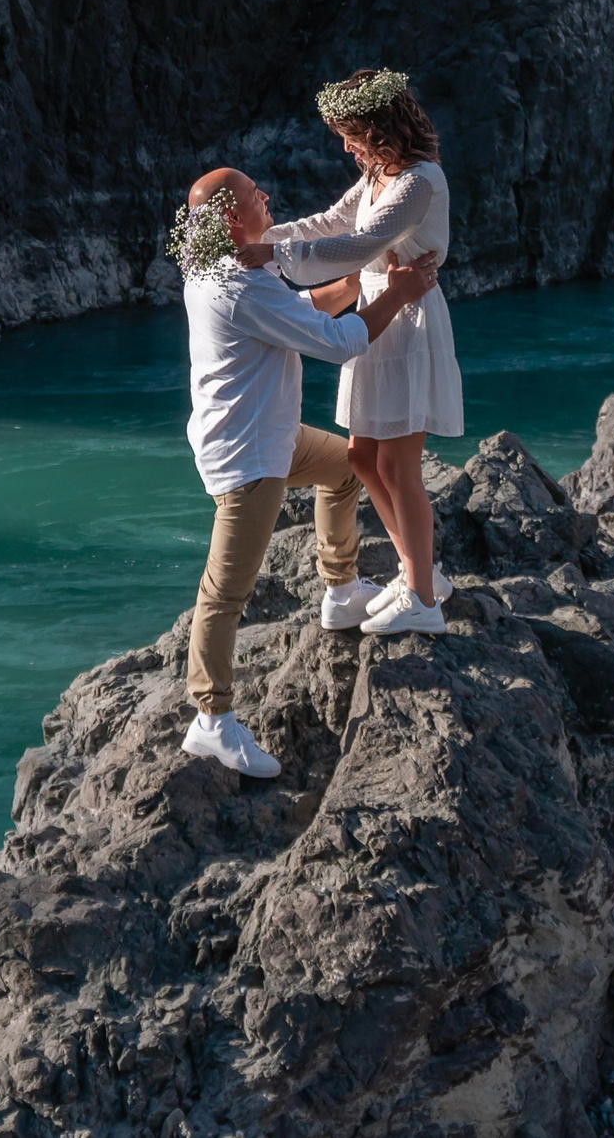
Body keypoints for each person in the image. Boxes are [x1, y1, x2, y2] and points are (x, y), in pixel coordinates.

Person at [172, 165, 441, 779]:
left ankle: (341, 591)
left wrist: (359, 279)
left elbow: (300, 309)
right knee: (224, 593)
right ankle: (210, 720)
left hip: (271, 435)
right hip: (249, 458)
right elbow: (338, 342)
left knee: (346, 468)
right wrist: (398, 294)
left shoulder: (222, 265)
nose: (267, 196)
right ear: (232, 219)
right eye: (253, 196)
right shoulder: (237, 287)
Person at [235, 68, 462, 640]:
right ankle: (420, 571)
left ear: (380, 125)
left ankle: (423, 599)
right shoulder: (379, 174)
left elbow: (358, 245)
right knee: (363, 460)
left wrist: (272, 257)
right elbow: (331, 222)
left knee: (397, 467)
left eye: (351, 132)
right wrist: (263, 246)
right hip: (374, 314)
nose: (345, 145)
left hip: (406, 320)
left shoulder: (419, 181)